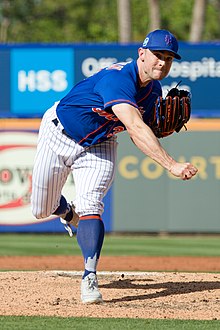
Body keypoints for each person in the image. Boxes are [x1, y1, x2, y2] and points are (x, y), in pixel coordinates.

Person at [31, 29, 198, 304]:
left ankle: (89, 276)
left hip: (100, 142)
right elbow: (134, 127)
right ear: (141, 54)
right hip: (58, 133)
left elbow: (145, 127)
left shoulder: (154, 90)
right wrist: (171, 165)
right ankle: (66, 212)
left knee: (92, 203)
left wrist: (157, 127)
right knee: (41, 209)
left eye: (169, 58)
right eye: (158, 55)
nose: (162, 63)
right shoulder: (118, 80)